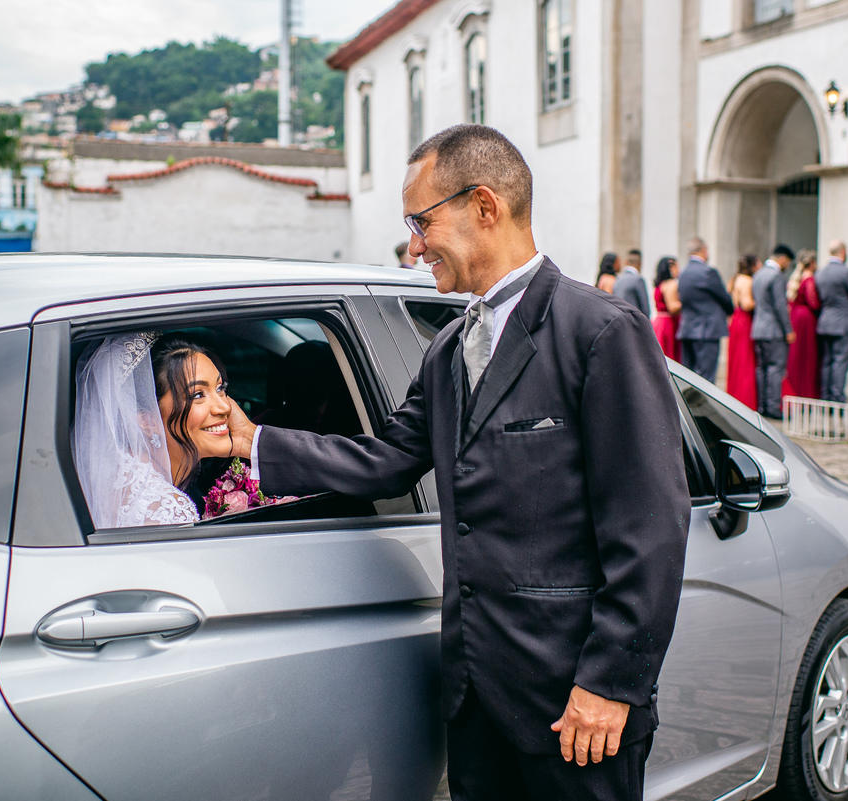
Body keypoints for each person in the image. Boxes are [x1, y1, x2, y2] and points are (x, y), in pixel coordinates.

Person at [222, 125, 690, 800]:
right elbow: (386, 460)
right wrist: (252, 442)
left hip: (574, 703)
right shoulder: (446, 351)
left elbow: (650, 525)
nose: (414, 246)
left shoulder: (601, 332)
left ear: (484, 206)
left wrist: (609, 684)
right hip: (475, 697)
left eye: (420, 221)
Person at [72, 333, 237, 528]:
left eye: (220, 388)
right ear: (147, 420)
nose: (225, 407)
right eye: (198, 394)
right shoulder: (166, 509)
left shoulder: (116, 479)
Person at [676, 237, 734, 383]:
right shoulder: (708, 272)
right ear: (703, 250)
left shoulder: (683, 273)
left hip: (688, 329)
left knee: (688, 377)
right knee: (706, 379)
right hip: (707, 330)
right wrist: (730, 310)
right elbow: (724, 298)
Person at [814, 240, 848, 403]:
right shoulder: (847, 272)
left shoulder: (820, 272)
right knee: (841, 361)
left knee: (827, 361)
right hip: (843, 322)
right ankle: (837, 397)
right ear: (843, 251)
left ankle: (825, 396)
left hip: (826, 321)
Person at [751, 244, 796, 419]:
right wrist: (788, 330)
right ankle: (772, 406)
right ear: (783, 258)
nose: (787, 266)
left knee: (762, 368)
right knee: (775, 368)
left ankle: (762, 405)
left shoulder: (759, 273)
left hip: (759, 329)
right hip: (774, 330)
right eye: (788, 262)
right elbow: (780, 306)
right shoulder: (776, 276)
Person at [786, 249, 822, 400]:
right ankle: (804, 392)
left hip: (796, 317)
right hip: (806, 320)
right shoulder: (809, 279)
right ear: (812, 263)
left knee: (796, 355)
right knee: (807, 356)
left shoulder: (796, 278)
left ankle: (795, 389)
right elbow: (813, 303)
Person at [725, 254, 758, 409]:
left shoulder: (735, 278)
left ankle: (735, 394)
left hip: (736, 319)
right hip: (745, 320)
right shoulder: (747, 281)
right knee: (745, 359)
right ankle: (745, 399)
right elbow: (747, 304)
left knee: (737, 359)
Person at [652, 256, 682, 361]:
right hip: (669, 324)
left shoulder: (659, 285)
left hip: (658, 322)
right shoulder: (670, 284)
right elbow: (672, 307)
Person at [613, 249, 651, 318]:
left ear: (626, 262)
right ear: (640, 263)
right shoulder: (638, 280)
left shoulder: (618, 279)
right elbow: (645, 308)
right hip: (634, 321)